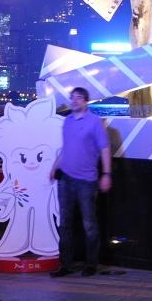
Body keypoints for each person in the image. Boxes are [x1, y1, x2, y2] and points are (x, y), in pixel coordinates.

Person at [50, 88, 112, 278]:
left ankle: (91, 264)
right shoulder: (67, 121)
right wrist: (54, 167)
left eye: (79, 98)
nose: (74, 101)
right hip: (65, 180)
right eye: (72, 98)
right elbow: (65, 148)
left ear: (86, 101)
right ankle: (66, 264)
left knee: (89, 224)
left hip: (86, 180)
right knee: (65, 224)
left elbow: (105, 149)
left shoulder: (94, 122)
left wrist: (106, 174)